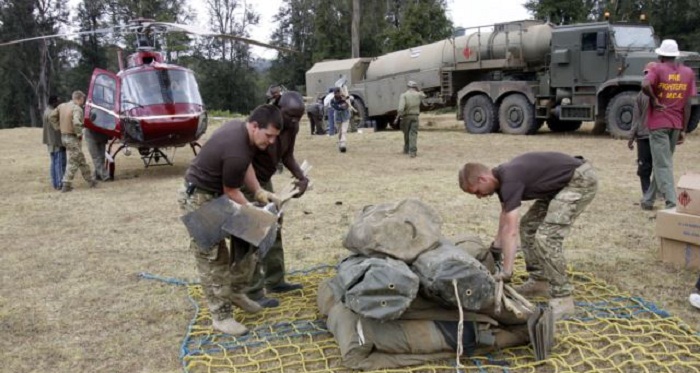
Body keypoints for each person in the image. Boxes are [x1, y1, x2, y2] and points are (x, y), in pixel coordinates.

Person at [177, 104, 283, 336]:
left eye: (275, 137)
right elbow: (232, 191)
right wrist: (256, 212)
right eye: (269, 135)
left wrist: (259, 192)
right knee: (214, 258)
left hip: (215, 194)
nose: (272, 142)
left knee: (253, 237)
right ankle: (221, 317)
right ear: (255, 126)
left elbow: (245, 167)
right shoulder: (237, 147)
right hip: (198, 198)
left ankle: (236, 291)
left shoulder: (245, 136)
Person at [458, 152, 598, 319]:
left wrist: (507, 272)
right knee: (529, 226)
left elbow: (511, 230)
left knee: (547, 237)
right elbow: (505, 218)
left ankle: (563, 298)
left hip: (579, 180)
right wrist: (496, 248)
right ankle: (540, 281)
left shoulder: (510, 179)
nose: (479, 197)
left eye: (477, 192)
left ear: (482, 179)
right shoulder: (501, 181)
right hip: (559, 186)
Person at [241, 91, 310, 306]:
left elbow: (287, 155)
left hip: (264, 181)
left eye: (298, 117)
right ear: (279, 109)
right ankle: (252, 291)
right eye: (290, 116)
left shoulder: (291, 127)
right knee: (251, 232)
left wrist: (301, 177)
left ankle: (275, 279)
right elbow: (243, 160)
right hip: (246, 180)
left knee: (274, 227)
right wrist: (255, 190)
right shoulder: (262, 126)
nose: (293, 121)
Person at [641, 39, 697, 210]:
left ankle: (672, 202)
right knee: (663, 162)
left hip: (658, 123)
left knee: (662, 164)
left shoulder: (656, 68)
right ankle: (648, 200)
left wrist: (654, 99)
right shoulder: (688, 73)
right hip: (676, 124)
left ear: (660, 55)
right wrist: (683, 129)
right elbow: (688, 103)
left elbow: (644, 84)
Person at [49, 91, 96, 192]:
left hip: (64, 137)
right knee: (73, 161)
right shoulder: (77, 108)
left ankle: (90, 180)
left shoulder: (62, 106)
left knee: (80, 158)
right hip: (72, 138)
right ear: (79, 99)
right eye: (83, 99)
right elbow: (76, 122)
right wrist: (79, 134)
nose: (83, 102)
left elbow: (51, 116)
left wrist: (58, 127)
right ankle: (66, 184)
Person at [628, 63, 655, 200]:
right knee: (658, 165)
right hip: (658, 135)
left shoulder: (641, 95)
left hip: (644, 136)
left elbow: (636, 120)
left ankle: (647, 193)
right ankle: (657, 193)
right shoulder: (663, 94)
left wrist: (631, 138)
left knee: (644, 167)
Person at [395, 81, 426, 158]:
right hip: (415, 116)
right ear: (415, 87)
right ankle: (412, 152)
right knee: (413, 134)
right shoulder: (419, 94)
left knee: (406, 133)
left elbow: (401, 108)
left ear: (408, 87)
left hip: (406, 117)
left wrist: (398, 116)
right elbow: (424, 96)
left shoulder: (404, 95)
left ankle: (406, 149)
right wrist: (419, 91)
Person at [42, 95, 65, 190]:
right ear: (54, 102)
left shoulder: (47, 111)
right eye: (58, 102)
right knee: (58, 163)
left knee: (54, 163)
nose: (59, 103)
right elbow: (57, 128)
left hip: (50, 142)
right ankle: (60, 183)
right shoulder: (52, 113)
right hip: (56, 142)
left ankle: (55, 183)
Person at [330, 87, 351, 153]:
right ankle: (340, 143)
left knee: (344, 131)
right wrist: (342, 104)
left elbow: (347, 105)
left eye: (338, 92)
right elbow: (336, 107)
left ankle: (343, 145)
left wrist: (346, 100)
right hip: (337, 118)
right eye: (335, 93)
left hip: (345, 117)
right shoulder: (332, 100)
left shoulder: (345, 98)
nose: (337, 94)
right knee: (340, 132)